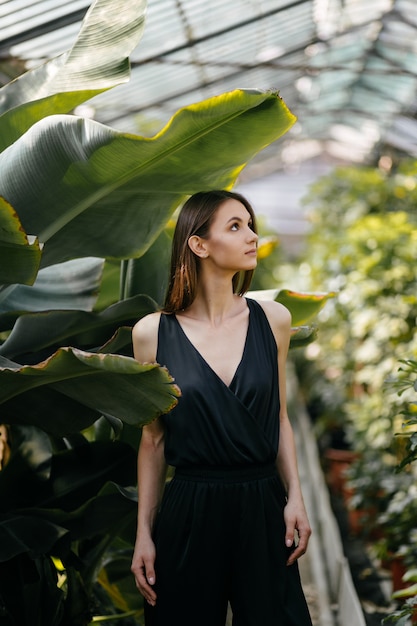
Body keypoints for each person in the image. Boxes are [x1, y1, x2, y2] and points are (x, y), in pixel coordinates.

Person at [131, 189, 313, 626]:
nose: (252, 236)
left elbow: (280, 418)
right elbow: (153, 441)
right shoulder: (151, 333)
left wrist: (296, 498)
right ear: (199, 244)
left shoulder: (274, 319)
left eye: (250, 224)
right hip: (189, 509)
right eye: (236, 226)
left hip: (263, 504)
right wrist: (143, 533)